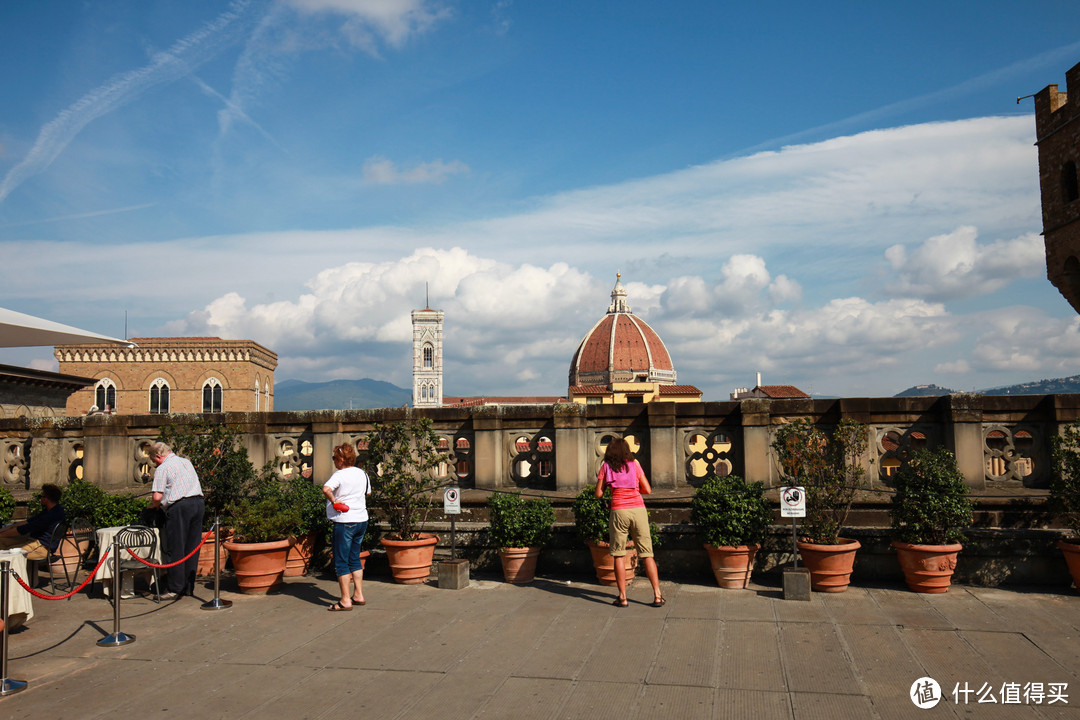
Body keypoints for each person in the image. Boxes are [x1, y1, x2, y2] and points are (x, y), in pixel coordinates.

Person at [595, 437, 663, 608]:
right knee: (647, 554)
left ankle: (623, 597)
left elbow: (598, 494)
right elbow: (647, 489)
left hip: (618, 510)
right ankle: (657, 595)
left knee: (618, 554)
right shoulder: (635, 464)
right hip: (638, 509)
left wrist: (614, 488)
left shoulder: (606, 466)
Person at [147, 441, 205, 599]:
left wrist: (154, 506)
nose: (154, 463)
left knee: (176, 547)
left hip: (180, 507)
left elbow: (157, 496)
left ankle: (175, 588)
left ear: (159, 456)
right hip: (198, 503)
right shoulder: (186, 461)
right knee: (192, 547)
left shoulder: (163, 468)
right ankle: (188, 586)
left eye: (154, 460)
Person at [323, 442, 371, 611]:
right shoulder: (363, 473)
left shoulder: (340, 475)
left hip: (345, 521)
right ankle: (358, 594)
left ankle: (345, 600)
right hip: (361, 520)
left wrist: (335, 501)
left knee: (341, 561)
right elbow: (368, 493)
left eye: (334, 458)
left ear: (341, 459)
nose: (334, 461)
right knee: (354, 557)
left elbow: (326, 489)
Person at [0, 484, 65, 560]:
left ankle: (14, 571)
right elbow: (27, 522)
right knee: (2, 542)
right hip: (32, 540)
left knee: (9, 552)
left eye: (41, 496)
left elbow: (24, 529)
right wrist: (5, 529)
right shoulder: (50, 510)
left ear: (46, 499)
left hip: (41, 548)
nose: (40, 499)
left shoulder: (52, 515)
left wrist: (2, 534)